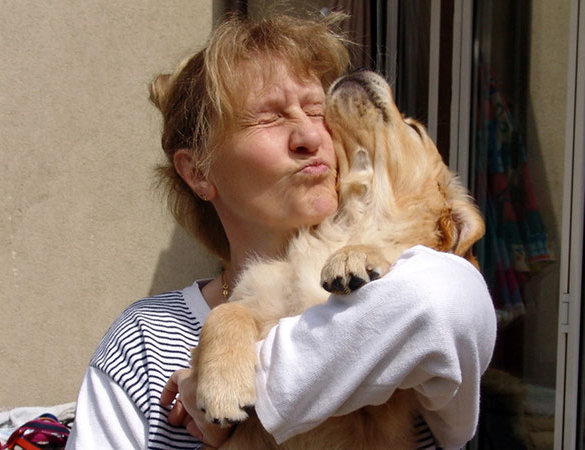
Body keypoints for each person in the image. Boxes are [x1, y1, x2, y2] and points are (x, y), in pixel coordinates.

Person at [66, 11, 496, 450]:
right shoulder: (144, 343)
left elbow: (440, 303)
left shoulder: (411, 294)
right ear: (198, 171)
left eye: (316, 108)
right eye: (268, 117)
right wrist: (227, 329)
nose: (309, 134)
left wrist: (262, 383)